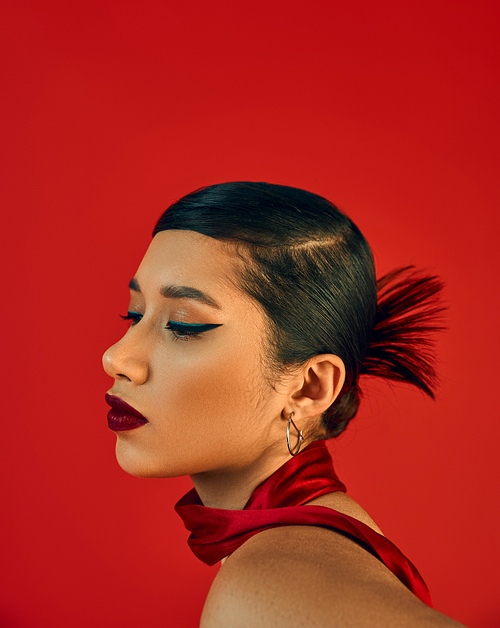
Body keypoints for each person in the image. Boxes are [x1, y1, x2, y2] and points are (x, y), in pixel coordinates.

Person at [102, 181, 465, 627]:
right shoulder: (302, 551)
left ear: (309, 387)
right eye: (134, 315)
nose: (117, 358)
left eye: (184, 325)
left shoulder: (271, 581)